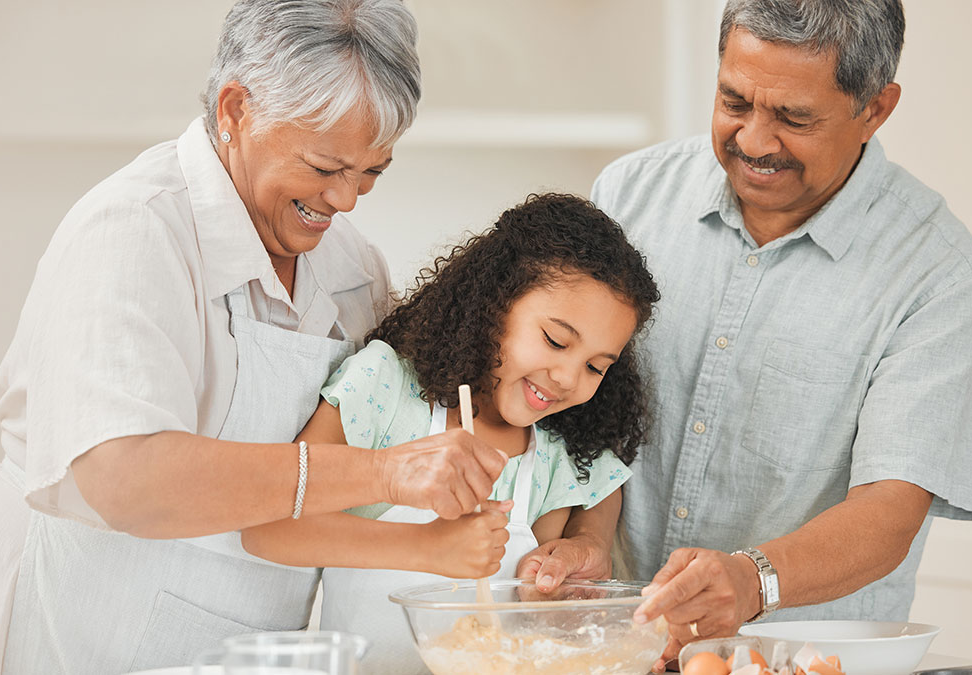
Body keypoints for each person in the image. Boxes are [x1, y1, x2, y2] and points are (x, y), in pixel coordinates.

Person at [0, 2, 513, 674]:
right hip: (76, 618)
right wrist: (385, 473)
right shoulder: (133, 231)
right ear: (235, 111)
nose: (348, 199)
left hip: (248, 641)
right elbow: (125, 478)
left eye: (371, 172)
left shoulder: (354, 268)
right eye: (325, 168)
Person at [518, 0, 972, 669]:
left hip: (800, 658)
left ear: (876, 108)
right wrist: (588, 541)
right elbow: (594, 421)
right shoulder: (631, 195)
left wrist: (754, 579)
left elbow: (890, 509)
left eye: (794, 118)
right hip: (616, 651)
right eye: (733, 100)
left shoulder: (936, 272)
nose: (754, 140)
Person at [240, 192, 660, 673]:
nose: (568, 377)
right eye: (555, 340)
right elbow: (268, 527)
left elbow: (597, 500)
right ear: (493, 304)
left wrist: (585, 546)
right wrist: (428, 549)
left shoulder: (554, 456)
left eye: (595, 367)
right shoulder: (387, 391)